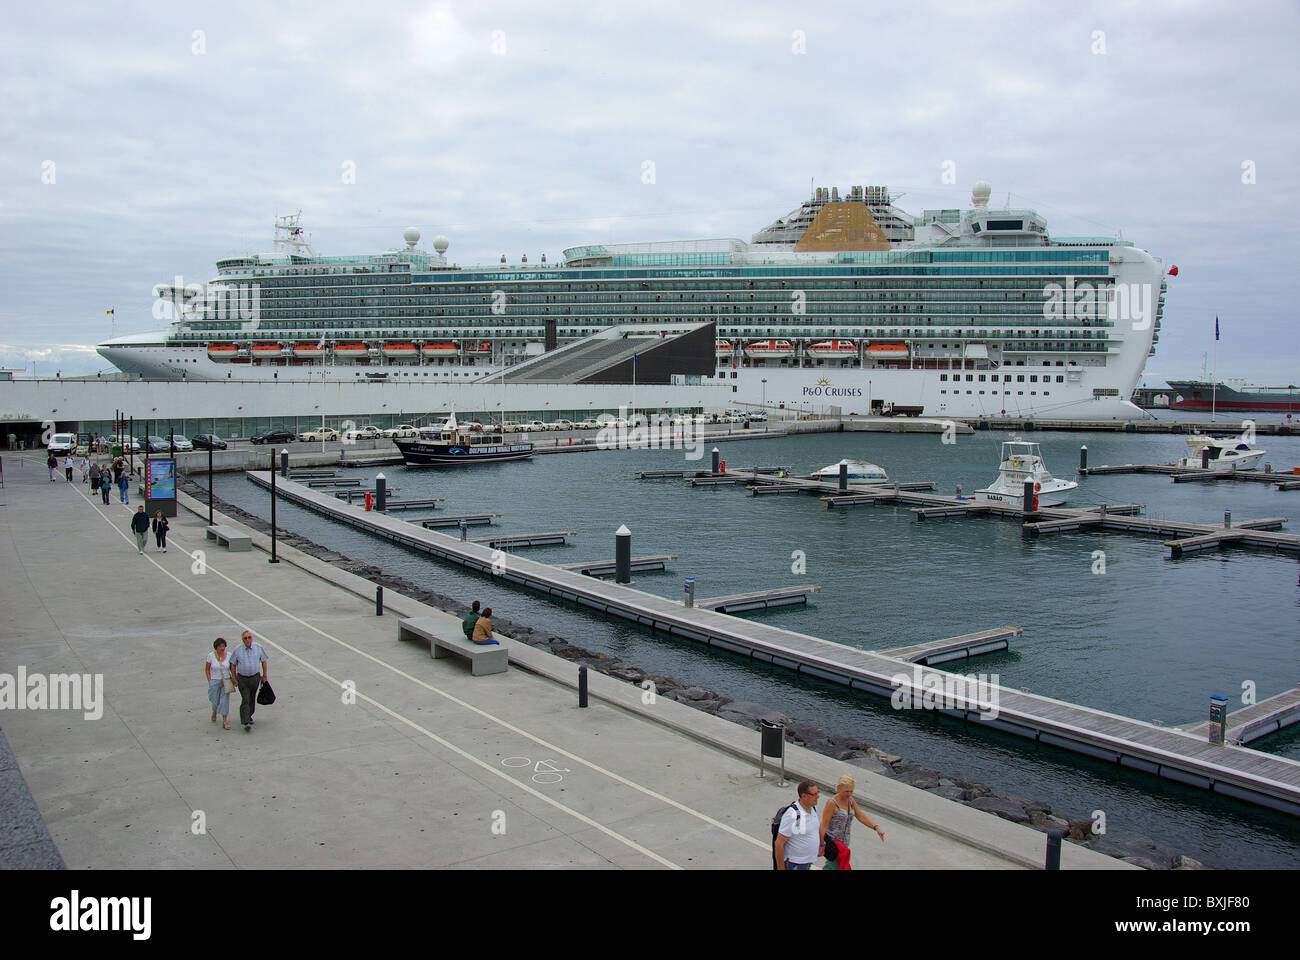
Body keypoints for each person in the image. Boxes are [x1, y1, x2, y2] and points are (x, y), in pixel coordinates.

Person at [819, 774, 885, 870]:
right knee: (834, 866)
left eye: (851, 791)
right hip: (833, 844)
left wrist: (876, 828)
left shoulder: (850, 800)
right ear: (839, 788)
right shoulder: (832, 803)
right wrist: (821, 844)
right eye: (846, 791)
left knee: (834, 867)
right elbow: (824, 825)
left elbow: (861, 816)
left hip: (844, 844)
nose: (849, 794)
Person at [774, 780, 822, 870]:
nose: (818, 796)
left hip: (806, 862)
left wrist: (820, 845)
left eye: (817, 793)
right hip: (795, 864)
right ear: (804, 796)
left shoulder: (813, 808)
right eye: (814, 794)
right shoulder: (793, 815)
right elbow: (779, 843)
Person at [229, 630, 268, 731]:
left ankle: (249, 715)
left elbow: (263, 661)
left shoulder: (258, 648)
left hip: (255, 677)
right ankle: (245, 721)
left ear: (252, 638)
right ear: (242, 639)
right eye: (245, 638)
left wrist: (264, 675)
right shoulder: (237, 650)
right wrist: (233, 678)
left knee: (252, 698)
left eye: (249, 637)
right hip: (242, 678)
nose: (247, 640)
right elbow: (232, 664)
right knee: (246, 699)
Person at [205, 638, 233, 729]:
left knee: (224, 701)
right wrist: (210, 681)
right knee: (214, 700)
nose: (222, 648)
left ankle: (224, 721)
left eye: (223, 646)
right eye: (220, 646)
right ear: (216, 647)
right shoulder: (211, 656)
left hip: (226, 680)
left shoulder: (229, 655)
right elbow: (207, 669)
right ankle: (214, 710)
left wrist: (234, 678)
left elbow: (232, 668)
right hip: (215, 680)